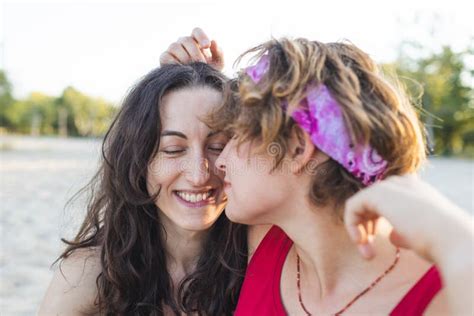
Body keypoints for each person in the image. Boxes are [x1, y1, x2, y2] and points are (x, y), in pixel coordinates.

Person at [162, 29, 473, 315]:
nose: (220, 161)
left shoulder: (441, 296)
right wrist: (185, 81)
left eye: (237, 136)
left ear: (298, 147)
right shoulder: (261, 239)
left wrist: (449, 231)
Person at [38, 63, 247, 315]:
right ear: (137, 162)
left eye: (217, 146)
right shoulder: (86, 276)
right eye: (173, 149)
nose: (198, 175)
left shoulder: (264, 260)